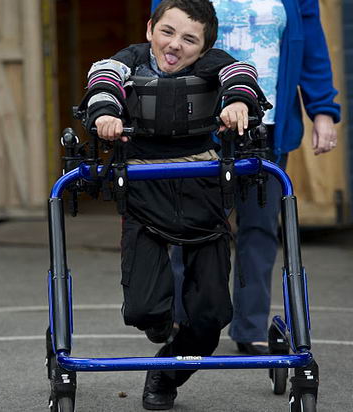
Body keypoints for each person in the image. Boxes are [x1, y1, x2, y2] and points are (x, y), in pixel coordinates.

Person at [79, 0, 268, 409]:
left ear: (202, 48)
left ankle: (166, 373)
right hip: (145, 190)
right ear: (150, 28)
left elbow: (241, 74)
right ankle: (159, 325)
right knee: (144, 311)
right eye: (167, 31)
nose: (175, 45)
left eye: (189, 39)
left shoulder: (214, 63)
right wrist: (106, 112)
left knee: (211, 317)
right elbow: (104, 75)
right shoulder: (130, 59)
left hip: (202, 191)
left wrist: (238, 102)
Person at [170, 0, 341, 356]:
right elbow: (163, 37)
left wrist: (322, 110)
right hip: (198, 125)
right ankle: (182, 320)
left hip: (268, 126)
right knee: (187, 225)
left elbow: (311, 47)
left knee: (260, 230)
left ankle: (250, 326)